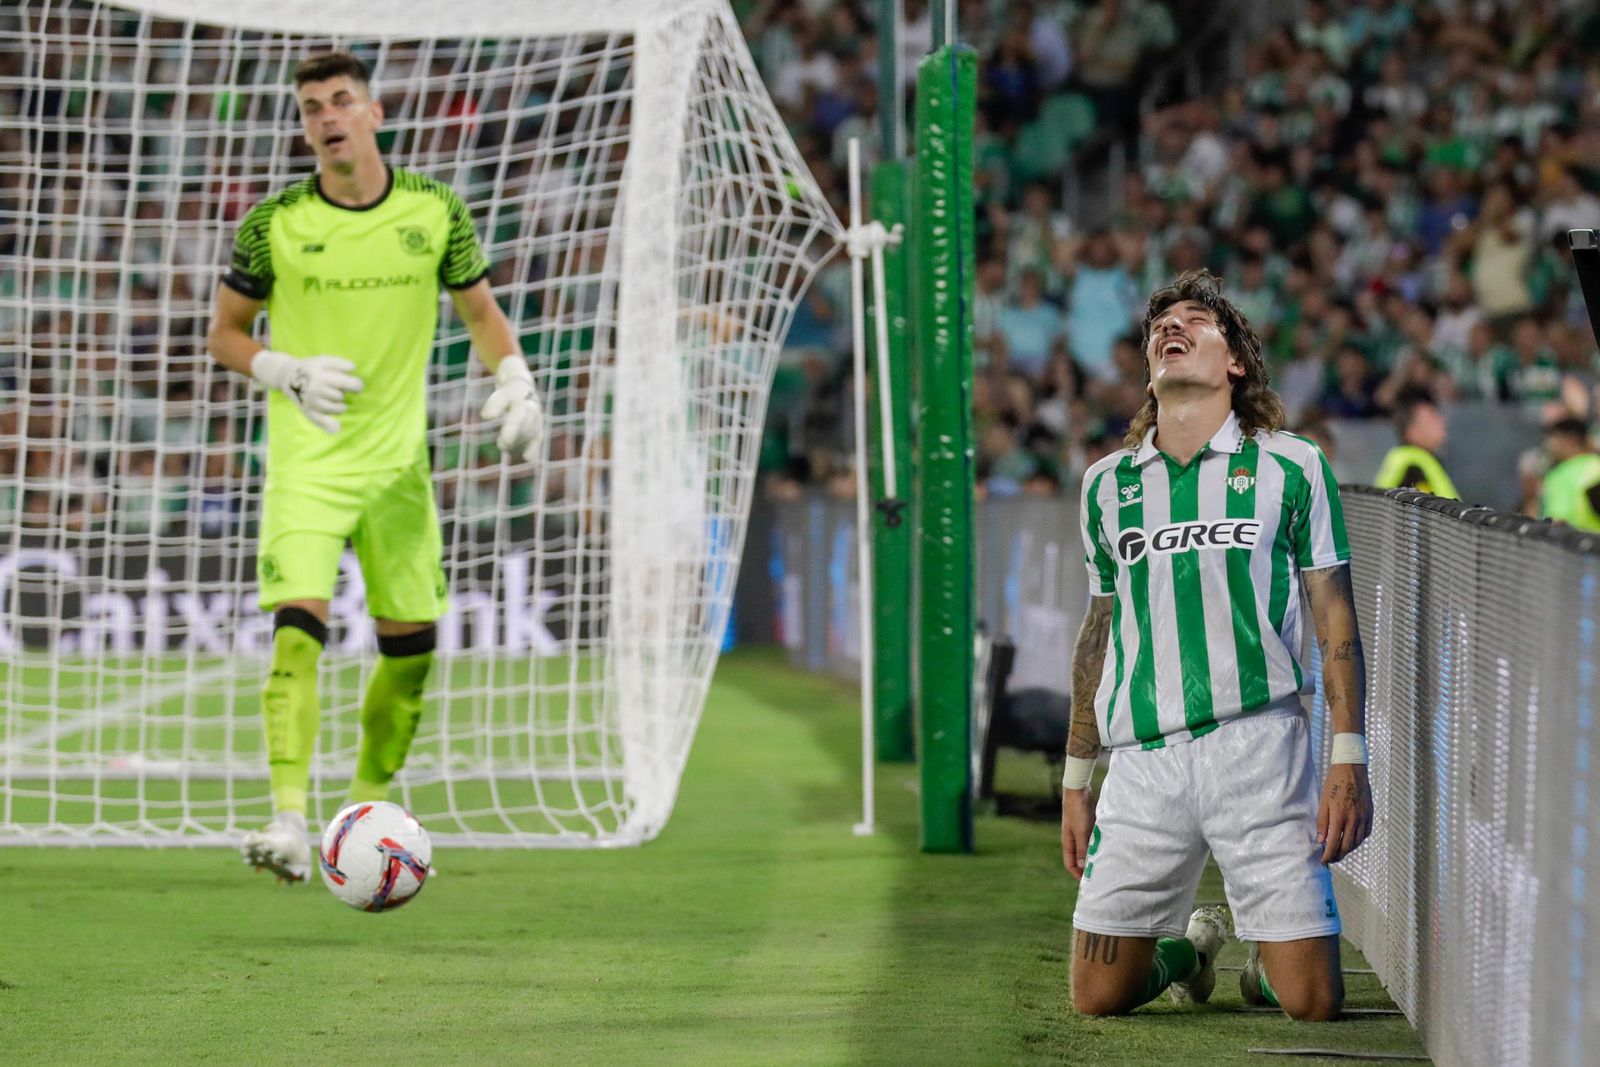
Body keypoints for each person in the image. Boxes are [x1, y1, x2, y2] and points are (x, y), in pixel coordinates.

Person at [205, 52, 545, 882]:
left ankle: (360, 817)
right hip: (307, 461)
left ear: (374, 112)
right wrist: (280, 368)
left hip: (399, 468)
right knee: (297, 635)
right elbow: (225, 333)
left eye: (341, 100)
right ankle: (288, 819)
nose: (326, 116)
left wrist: (516, 379)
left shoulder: (435, 212)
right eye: (313, 106)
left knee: (413, 651)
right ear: (305, 123)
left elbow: (480, 311)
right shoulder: (272, 223)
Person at [1062, 269, 1372, 1021]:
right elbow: (1099, 631)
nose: (1172, 326)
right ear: (1147, 363)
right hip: (1143, 759)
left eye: (1196, 319)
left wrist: (1347, 756)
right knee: (1097, 997)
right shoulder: (1106, 486)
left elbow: (1335, 615)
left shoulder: (1292, 465)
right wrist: (1077, 774)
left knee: (1313, 1002)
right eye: (1160, 322)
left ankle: (1263, 969)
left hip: (1259, 744)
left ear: (1235, 361)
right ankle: (1189, 954)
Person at [1373, 390, 1459, 498]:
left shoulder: (1412, 459)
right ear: (1411, 431)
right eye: (1431, 419)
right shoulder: (1412, 467)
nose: (1441, 421)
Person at [1539, 417, 1600, 532]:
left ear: (1568, 440)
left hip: (1575, 545)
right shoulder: (1597, 464)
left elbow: (1557, 521)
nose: (1549, 448)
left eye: (1552, 441)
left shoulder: (1559, 476)